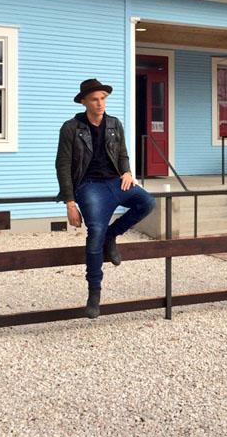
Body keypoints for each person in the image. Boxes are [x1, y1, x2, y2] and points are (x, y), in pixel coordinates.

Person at [56, 78, 156, 319]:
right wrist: (70, 202)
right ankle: (94, 292)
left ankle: (113, 235)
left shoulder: (114, 124)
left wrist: (128, 172)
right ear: (84, 102)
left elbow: (122, 153)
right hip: (89, 186)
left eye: (103, 98)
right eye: (94, 99)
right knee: (96, 231)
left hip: (116, 181)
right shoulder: (71, 128)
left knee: (147, 202)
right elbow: (63, 165)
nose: (100, 103)